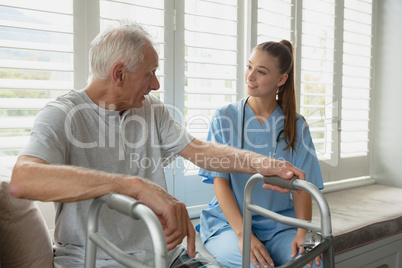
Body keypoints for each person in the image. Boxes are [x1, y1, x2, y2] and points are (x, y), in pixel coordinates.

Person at [8, 23, 306, 268]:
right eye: (149, 73)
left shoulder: (150, 108)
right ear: (119, 74)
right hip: (96, 260)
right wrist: (132, 186)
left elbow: (200, 151)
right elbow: (23, 179)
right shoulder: (62, 114)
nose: (156, 84)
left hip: (166, 257)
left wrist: (262, 163)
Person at [198, 40, 324, 268]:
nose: (250, 76)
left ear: (281, 79)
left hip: (279, 225)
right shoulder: (224, 117)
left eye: (261, 71)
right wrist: (242, 235)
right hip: (230, 224)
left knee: (312, 264)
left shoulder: (297, 124)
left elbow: (302, 188)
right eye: (249, 67)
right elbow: (221, 183)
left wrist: (301, 232)